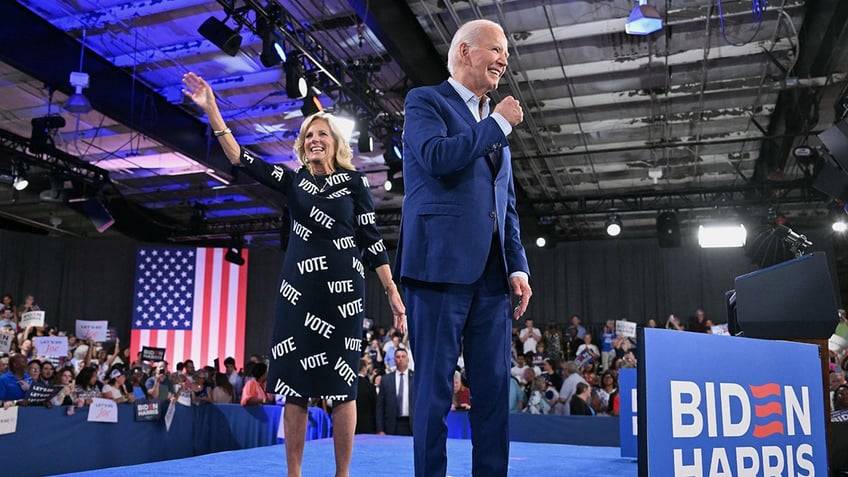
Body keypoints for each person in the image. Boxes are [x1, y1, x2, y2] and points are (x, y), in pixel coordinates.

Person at [182, 71, 405, 477]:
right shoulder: (294, 181)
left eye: (322, 134)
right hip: (297, 293)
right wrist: (213, 110)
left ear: (336, 143)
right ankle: (294, 473)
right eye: (308, 136)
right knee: (295, 390)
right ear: (302, 146)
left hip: (343, 296)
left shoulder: (354, 183)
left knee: (342, 389)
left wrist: (391, 289)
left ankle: (342, 474)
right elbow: (239, 158)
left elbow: (372, 238)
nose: (314, 139)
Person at [396, 18, 532, 477]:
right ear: (464, 52)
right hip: (437, 270)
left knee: (493, 392)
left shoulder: (495, 128)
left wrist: (518, 267)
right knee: (434, 394)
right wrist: (497, 124)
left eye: (507, 53)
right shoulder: (426, 101)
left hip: (492, 280)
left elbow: (506, 206)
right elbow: (437, 157)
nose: (503, 60)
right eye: (495, 49)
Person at [376, 347, 413, 436]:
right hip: (391, 425)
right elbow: (380, 406)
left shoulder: (416, 378)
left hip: (411, 425)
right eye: (398, 357)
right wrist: (380, 429)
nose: (401, 359)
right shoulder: (386, 380)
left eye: (403, 356)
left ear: (408, 359)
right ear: (394, 360)